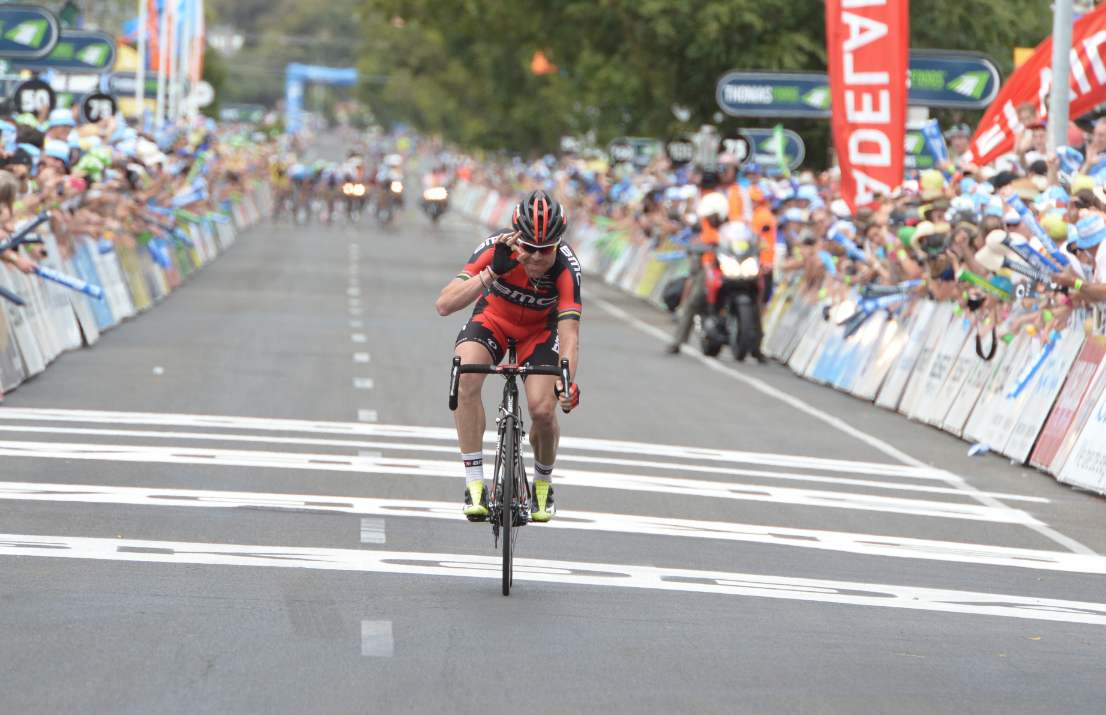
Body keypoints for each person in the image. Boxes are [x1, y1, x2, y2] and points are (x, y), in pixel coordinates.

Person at [436, 190, 580, 523]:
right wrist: (490, 274)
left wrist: (566, 381)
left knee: (543, 409)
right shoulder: (493, 250)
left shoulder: (566, 267)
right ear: (516, 238)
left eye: (547, 251)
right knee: (466, 376)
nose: (537, 259)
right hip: (494, 320)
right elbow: (444, 305)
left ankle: (542, 483)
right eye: (529, 248)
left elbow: (570, 336)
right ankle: (475, 484)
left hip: (539, 333)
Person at [666, 192, 729, 354]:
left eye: (712, 216)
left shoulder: (731, 228)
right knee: (694, 301)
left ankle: (755, 346)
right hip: (710, 268)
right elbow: (696, 245)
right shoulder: (705, 229)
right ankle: (678, 341)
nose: (709, 219)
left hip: (732, 268)